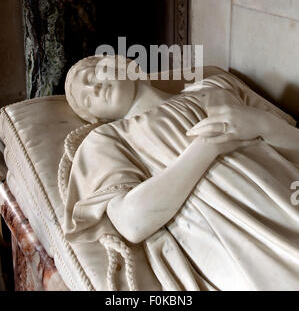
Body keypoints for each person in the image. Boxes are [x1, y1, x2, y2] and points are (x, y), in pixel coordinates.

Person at [63, 55, 299, 291]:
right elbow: (132, 222)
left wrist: (261, 124)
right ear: (97, 119)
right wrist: (207, 146)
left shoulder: (216, 85)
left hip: (284, 190)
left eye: (92, 75)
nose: (94, 88)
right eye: (87, 99)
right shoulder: (106, 139)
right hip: (231, 234)